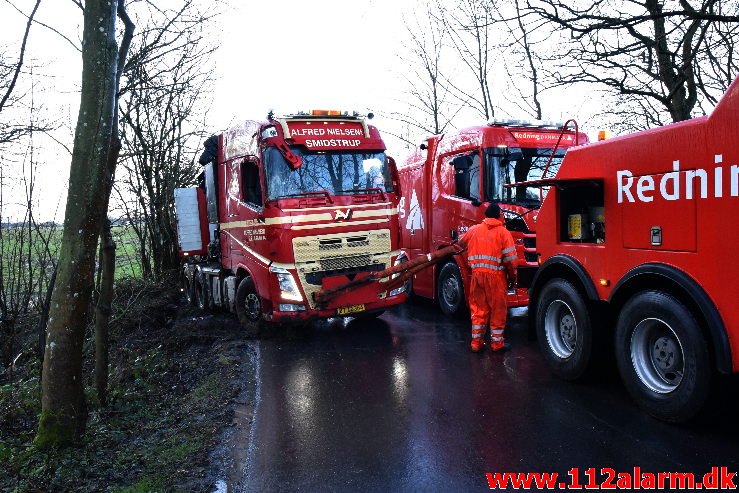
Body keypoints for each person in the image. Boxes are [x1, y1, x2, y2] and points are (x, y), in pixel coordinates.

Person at [460, 203, 518, 352]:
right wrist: (513, 277)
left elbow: (461, 242)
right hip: (496, 278)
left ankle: (476, 344)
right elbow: (511, 261)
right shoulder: (503, 233)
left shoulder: (474, 230)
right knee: (498, 311)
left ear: (485, 215)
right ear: (499, 215)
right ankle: (497, 344)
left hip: (477, 277)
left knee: (478, 310)